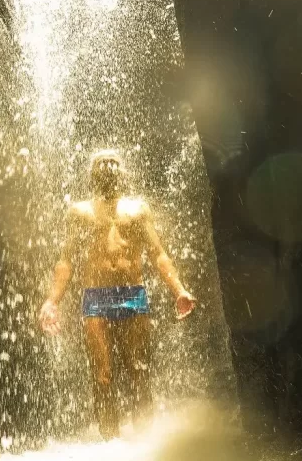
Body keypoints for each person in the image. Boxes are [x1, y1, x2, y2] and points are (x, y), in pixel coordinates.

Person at [38, 149, 196, 439]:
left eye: (114, 163)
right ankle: (110, 443)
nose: (109, 168)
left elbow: (158, 254)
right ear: (92, 174)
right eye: (102, 163)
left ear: (123, 173)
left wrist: (179, 290)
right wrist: (52, 300)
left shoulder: (137, 210)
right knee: (103, 376)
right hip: (96, 297)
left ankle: (144, 441)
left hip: (133, 294)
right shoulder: (80, 212)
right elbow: (67, 259)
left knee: (139, 372)